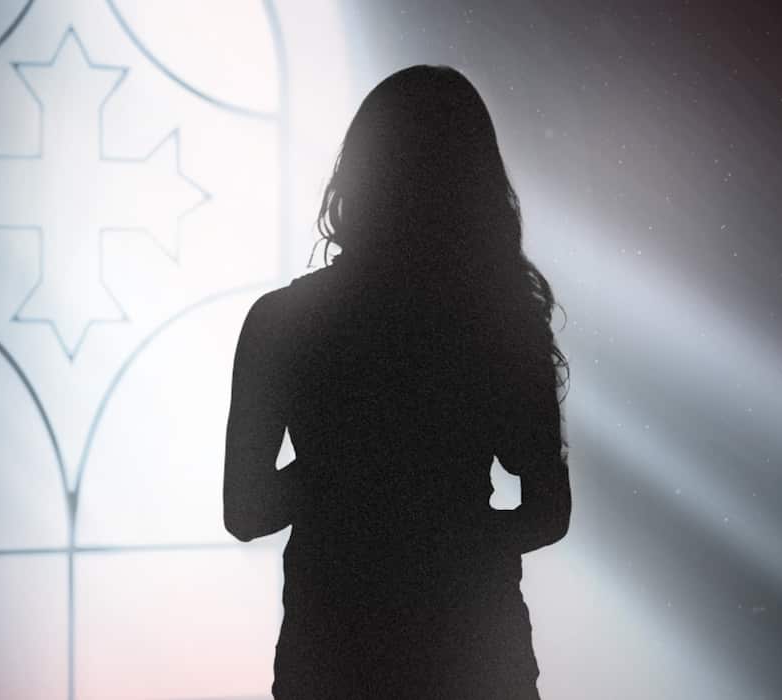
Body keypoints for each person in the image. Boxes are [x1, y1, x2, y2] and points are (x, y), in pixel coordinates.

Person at [222, 64, 571, 699]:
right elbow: (548, 512)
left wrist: (339, 471)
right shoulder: (498, 323)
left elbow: (244, 512)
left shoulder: (281, 323)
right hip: (472, 648)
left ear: (360, 175)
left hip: (332, 649)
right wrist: (451, 538)